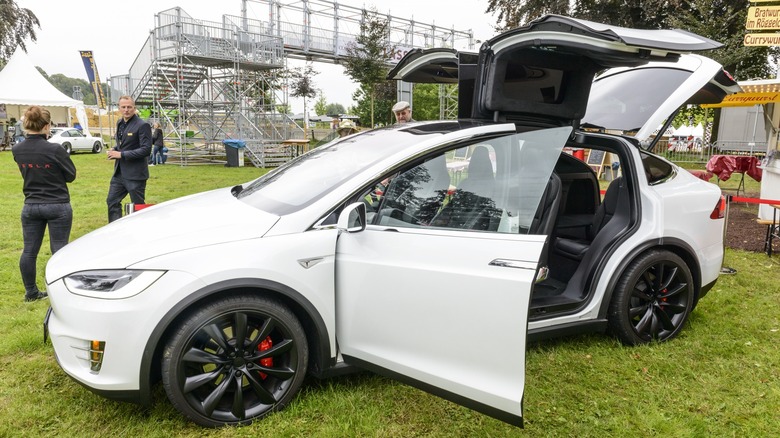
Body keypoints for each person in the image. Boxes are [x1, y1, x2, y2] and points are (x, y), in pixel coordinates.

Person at [12, 106, 77, 302]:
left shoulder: (17, 149)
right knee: (59, 250)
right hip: (57, 203)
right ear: (47, 126)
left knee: (29, 251)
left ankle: (31, 292)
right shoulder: (55, 149)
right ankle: (60, 293)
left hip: (31, 204)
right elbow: (71, 176)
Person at [106, 95, 152, 222]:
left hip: (135, 174)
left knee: (138, 206)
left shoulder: (142, 125)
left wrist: (121, 155)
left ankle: (140, 230)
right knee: (112, 201)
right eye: (123, 107)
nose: (126, 110)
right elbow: (123, 144)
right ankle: (115, 229)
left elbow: (146, 149)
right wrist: (115, 150)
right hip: (119, 173)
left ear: (134, 108)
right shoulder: (120, 123)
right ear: (119, 108)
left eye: (129, 107)